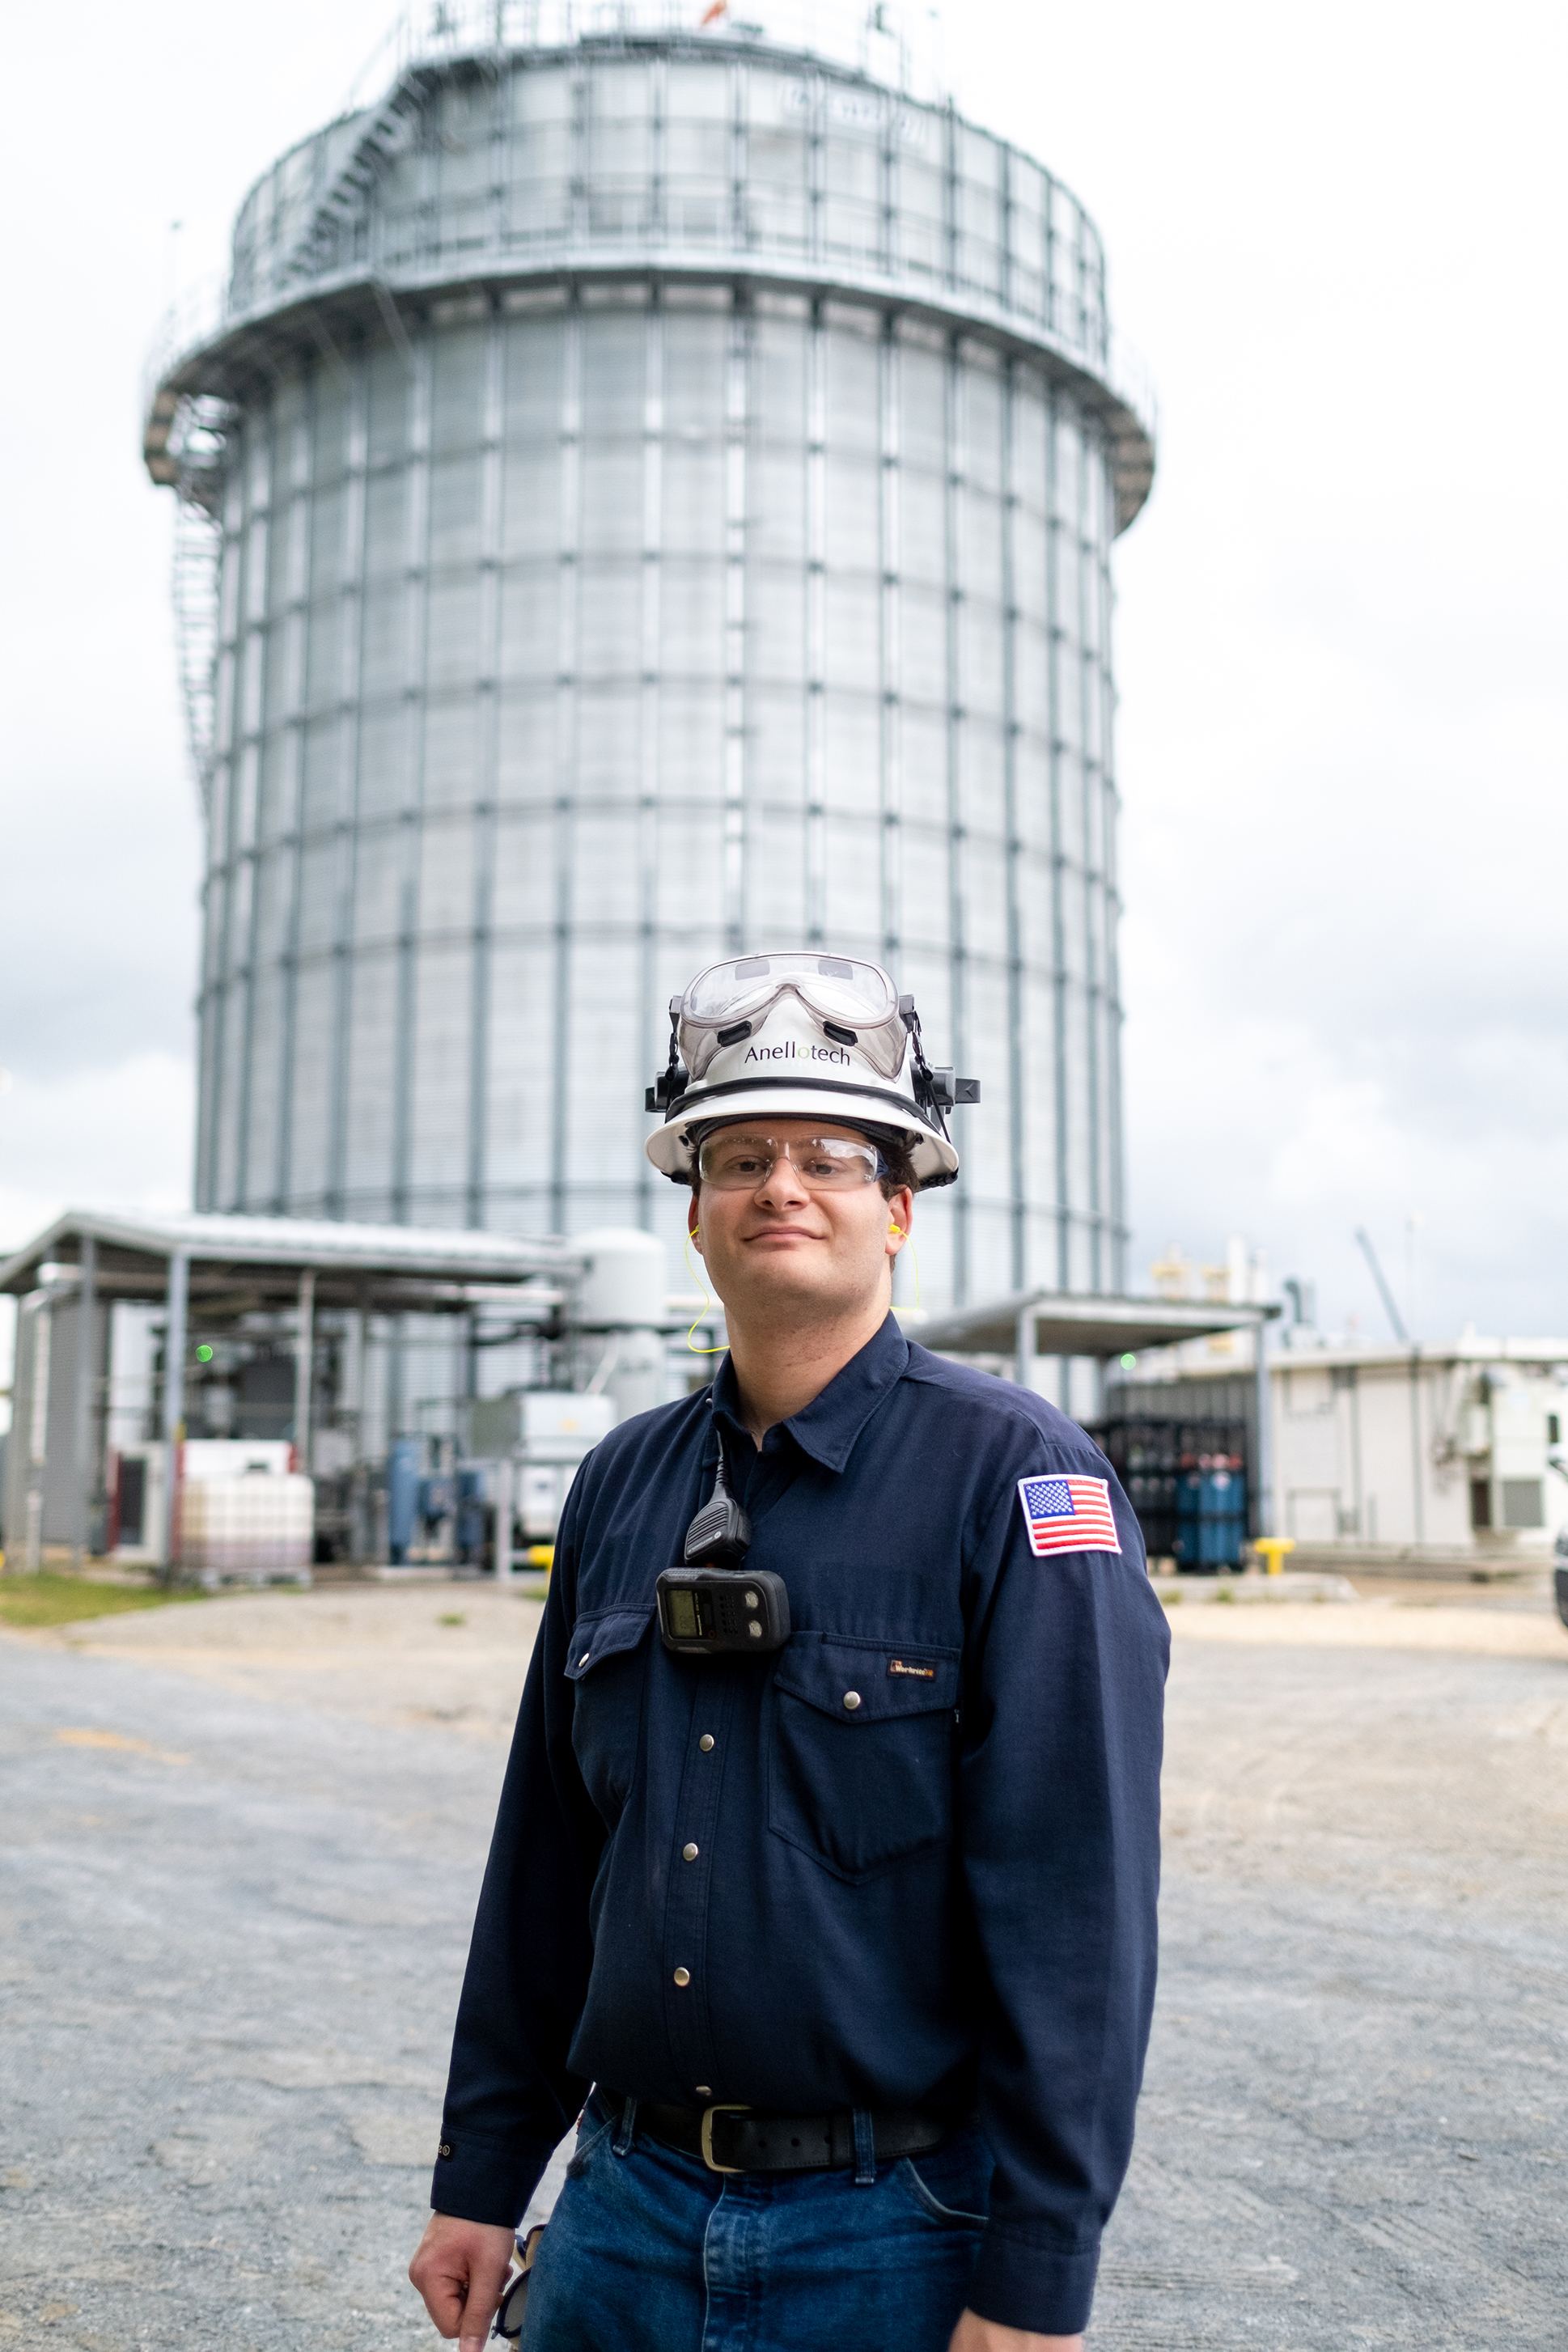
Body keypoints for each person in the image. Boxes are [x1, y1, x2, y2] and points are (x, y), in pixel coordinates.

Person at [409, 951, 1168, 2352]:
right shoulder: (621, 1485)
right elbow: (545, 1856)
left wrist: (1036, 2280)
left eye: (829, 1156)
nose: (781, 1187)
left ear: (897, 1207)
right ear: (693, 1215)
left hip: (892, 2233)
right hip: (618, 2222)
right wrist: (482, 2175)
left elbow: (1077, 1909)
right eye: (739, 1157)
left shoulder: (1018, 1482)